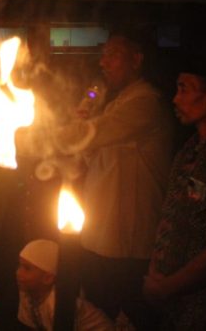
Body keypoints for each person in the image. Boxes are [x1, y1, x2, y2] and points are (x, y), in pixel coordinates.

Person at [55, 30, 173, 329]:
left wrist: (37, 133)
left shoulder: (146, 102)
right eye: (103, 55)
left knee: (130, 317)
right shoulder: (113, 102)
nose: (104, 63)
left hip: (129, 241)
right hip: (100, 234)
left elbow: (97, 133)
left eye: (112, 55)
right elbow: (88, 154)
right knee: (99, 315)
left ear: (136, 59)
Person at [143, 57, 206, 329]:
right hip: (169, 302)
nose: (175, 99)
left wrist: (168, 286)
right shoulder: (188, 149)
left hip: (201, 307)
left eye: (184, 89)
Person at [16, 239, 114, 331]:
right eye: (19, 266)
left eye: (27, 268)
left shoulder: (59, 303)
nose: (18, 273)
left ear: (48, 278)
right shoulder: (26, 294)